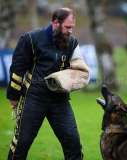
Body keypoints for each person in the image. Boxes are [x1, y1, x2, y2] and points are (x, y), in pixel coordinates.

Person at [7, 7, 90, 160]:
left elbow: (79, 69)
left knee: (73, 145)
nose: (70, 31)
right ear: (56, 23)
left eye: (72, 27)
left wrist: (75, 78)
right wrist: (14, 96)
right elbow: (17, 70)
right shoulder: (30, 39)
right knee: (20, 145)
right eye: (67, 27)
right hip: (33, 99)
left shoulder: (72, 43)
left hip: (60, 101)